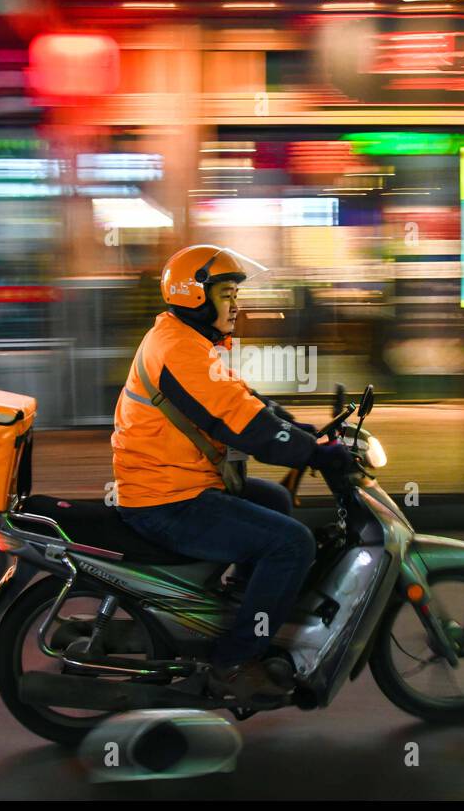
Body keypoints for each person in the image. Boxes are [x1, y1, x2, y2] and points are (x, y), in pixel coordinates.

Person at [112, 244, 355, 703]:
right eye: (226, 293)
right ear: (194, 296)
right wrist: (312, 454)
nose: (235, 304)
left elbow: (245, 402)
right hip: (166, 499)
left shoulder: (190, 341)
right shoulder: (178, 350)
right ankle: (234, 663)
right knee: (291, 543)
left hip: (181, 484)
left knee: (275, 502)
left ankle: (240, 607)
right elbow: (239, 425)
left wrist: (301, 432)